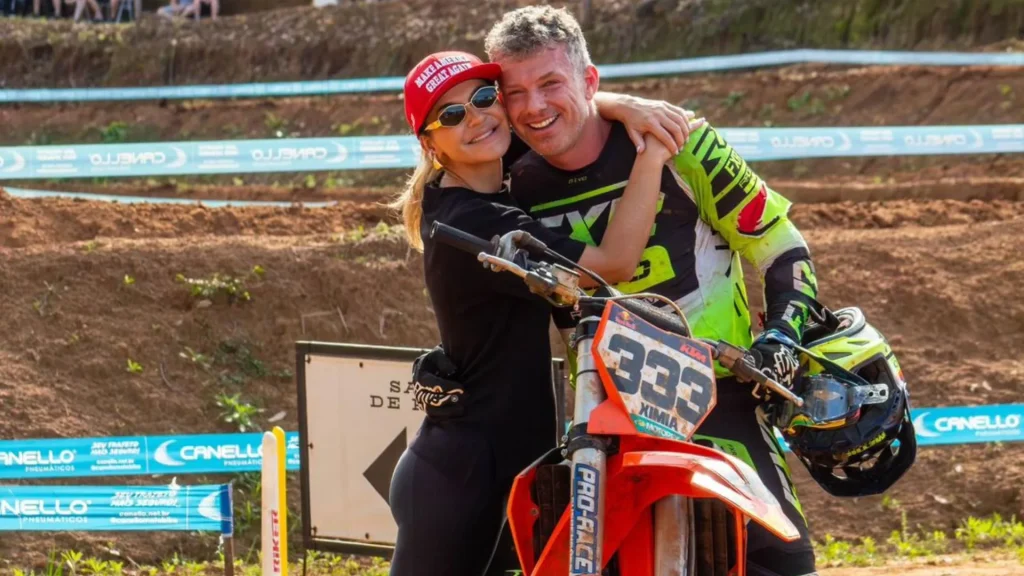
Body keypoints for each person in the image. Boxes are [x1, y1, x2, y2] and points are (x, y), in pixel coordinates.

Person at [413, 6, 827, 576]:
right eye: (514, 92)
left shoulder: (683, 144)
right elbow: (474, 272)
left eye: (551, 83)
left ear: (588, 79)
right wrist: (449, 359)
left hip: (717, 396)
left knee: (781, 565)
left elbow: (781, 245)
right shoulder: (512, 172)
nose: (533, 107)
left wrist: (783, 335)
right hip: (604, 416)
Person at [387, 50, 705, 576]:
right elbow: (614, 264)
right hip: (463, 475)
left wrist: (621, 105)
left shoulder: (487, 167)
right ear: (430, 144)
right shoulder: (475, 223)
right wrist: (650, 157)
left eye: (484, 98)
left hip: (505, 461)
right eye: (451, 114)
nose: (476, 118)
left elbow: (554, 116)